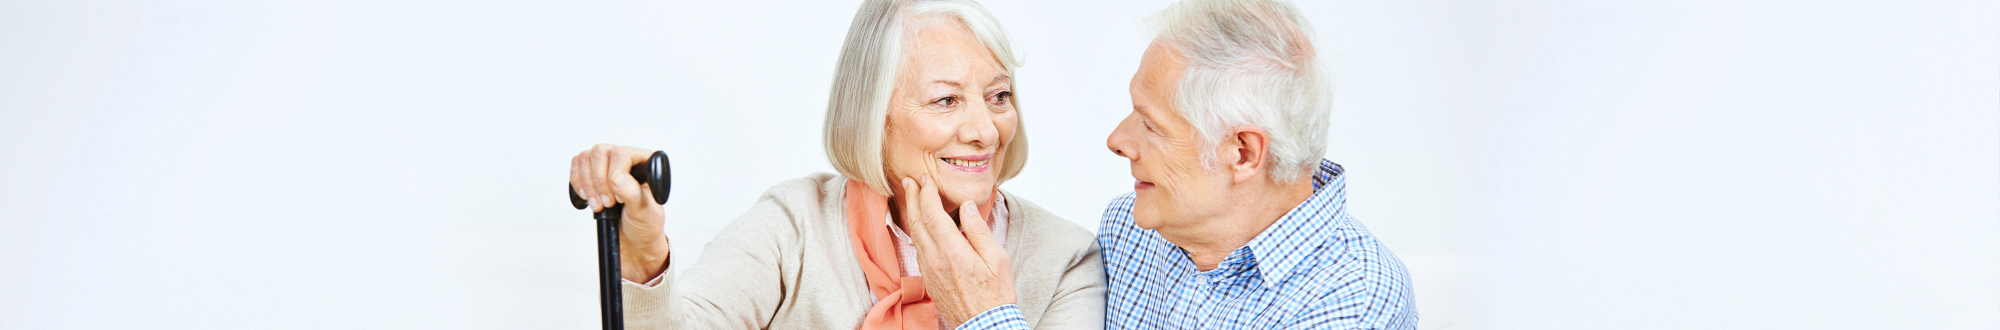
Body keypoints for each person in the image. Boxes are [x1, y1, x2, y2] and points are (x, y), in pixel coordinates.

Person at [565, 0, 1103, 329]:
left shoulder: (1065, 260)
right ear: (873, 114)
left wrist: (983, 317)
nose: (986, 130)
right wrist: (641, 260)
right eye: (946, 100)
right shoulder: (792, 225)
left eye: (999, 96)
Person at [1096, 0, 1418, 328]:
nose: (1117, 140)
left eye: (1150, 124)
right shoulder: (1125, 230)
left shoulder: (1352, 300)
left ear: (1243, 153)